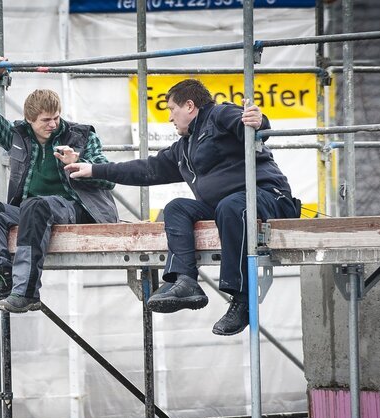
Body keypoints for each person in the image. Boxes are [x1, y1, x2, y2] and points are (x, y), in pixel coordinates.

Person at [65, 79, 300, 336]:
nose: (169, 118)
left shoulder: (219, 114)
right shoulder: (184, 148)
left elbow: (247, 124)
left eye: (171, 109)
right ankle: (186, 280)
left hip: (267, 197)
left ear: (189, 105)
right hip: (226, 208)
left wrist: (258, 120)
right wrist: (93, 169)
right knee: (177, 207)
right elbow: (146, 170)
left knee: (231, 205)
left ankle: (242, 301)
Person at [0, 55, 118, 314]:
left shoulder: (81, 135)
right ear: (30, 121)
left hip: (77, 210)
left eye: (56, 118)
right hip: (33, 211)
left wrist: (79, 164)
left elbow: (108, 179)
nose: (53, 124)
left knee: (35, 205)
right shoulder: (18, 137)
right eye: (45, 121)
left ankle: (26, 292)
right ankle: (0, 282)